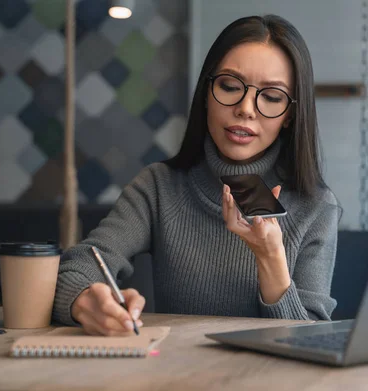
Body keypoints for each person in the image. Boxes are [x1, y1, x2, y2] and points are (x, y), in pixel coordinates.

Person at [52, 14, 341, 336]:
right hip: (174, 377)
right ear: (206, 92)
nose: (246, 108)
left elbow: (311, 338)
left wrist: (271, 256)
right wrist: (86, 300)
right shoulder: (158, 188)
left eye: (271, 97)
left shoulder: (315, 206)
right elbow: (80, 266)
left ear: (290, 115)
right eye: (230, 86)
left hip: (271, 383)